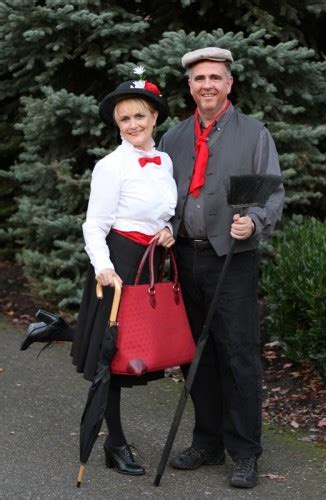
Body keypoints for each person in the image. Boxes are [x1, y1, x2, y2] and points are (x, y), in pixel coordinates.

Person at [21, 74, 177, 476]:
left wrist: (169, 230)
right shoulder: (111, 166)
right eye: (124, 119)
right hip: (118, 264)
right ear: (117, 124)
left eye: (139, 115)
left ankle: (53, 329)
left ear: (154, 116)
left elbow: (166, 210)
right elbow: (94, 225)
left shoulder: (165, 161)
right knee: (111, 358)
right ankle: (116, 444)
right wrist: (104, 268)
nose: (132, 124)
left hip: (148, 261)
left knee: (131, 350)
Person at [158, 47, 284, 489]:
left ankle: (245, 451)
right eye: (198, 79)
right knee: (196, 356)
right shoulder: (172, 138)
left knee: (238, 355)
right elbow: (158, 196)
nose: (207, 84)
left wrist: (256, 221)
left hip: (232, 259)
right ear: (189, 87)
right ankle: (207, 441)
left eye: (215, 77)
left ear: (229, 84)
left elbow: (272, 193)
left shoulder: (253, 135)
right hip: (186, 259)